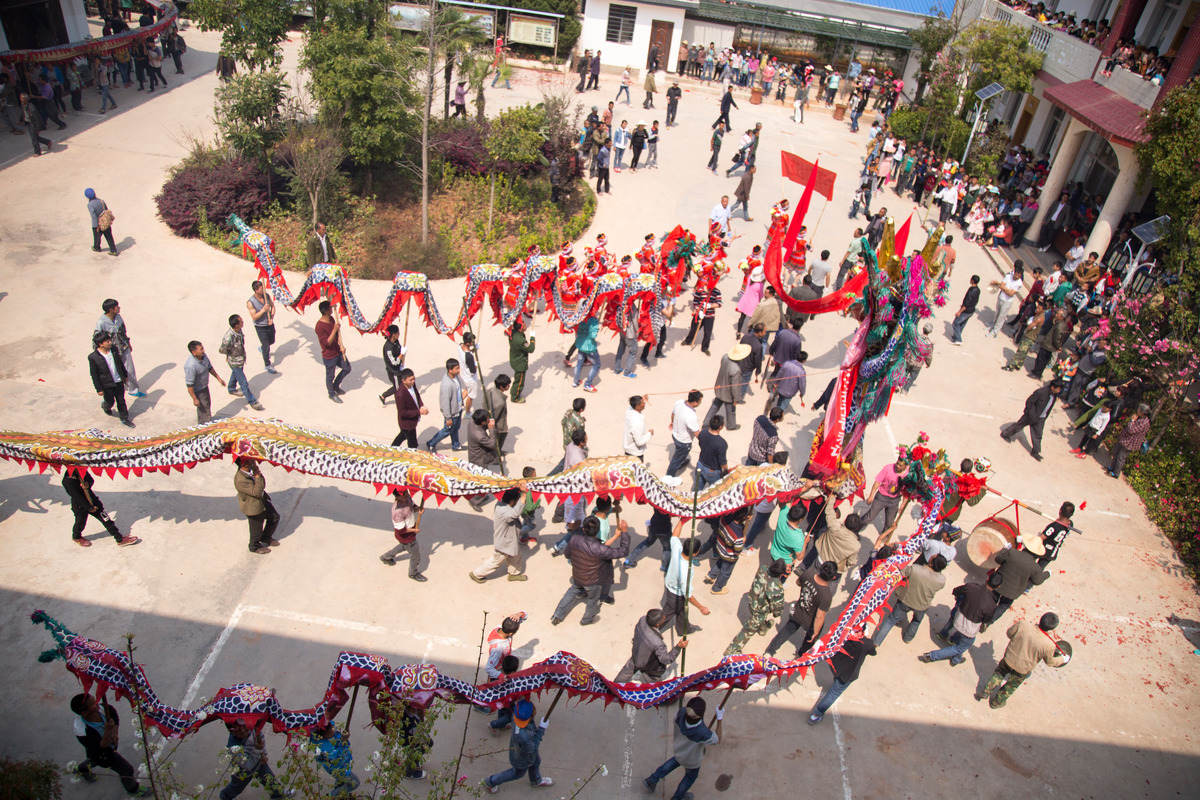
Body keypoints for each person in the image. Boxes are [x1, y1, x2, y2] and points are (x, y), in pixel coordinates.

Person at [551, 514, 630, 625]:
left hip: (578, 575)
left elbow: (567, 554)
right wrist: (624, 532)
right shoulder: (602, 549)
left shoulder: (574, 539)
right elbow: (623, 552)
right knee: (593, 600)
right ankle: (587, 619)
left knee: (571, 592)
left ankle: (557, 616)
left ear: (583, 529)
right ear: (597, 530)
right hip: (593, 582)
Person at [976, 613, 1066, 709]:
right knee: (1010, 686)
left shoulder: (1023, 625)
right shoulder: (1049, 645)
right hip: (1023, 669)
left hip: (1009, 658)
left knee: (999, 673)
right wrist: (1062, 659)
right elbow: (1050, 662)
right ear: (1051, 629)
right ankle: (996, 702)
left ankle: (985, 691)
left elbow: (1009, 633)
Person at [643, 696, 723, 800]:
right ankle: (678, 797)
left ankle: (652, 780)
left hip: (679, 751)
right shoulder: (703, 733)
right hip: (692, 760)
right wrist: (719, 718)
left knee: (672, 763)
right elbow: (717, 740)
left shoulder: (680, 712)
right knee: (690, 777)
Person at [69, 693, 149, 796]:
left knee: (93, 760)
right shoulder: (81, 730)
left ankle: (82, 769)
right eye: (93, 703)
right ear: (84, 713)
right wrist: (107, 731)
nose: (97, 702)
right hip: (103, 754)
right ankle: (133, 790)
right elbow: (100, 747)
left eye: (95, 699)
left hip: (106, 747)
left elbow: (113, 715)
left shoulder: (102, 709)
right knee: (126, 769)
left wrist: (115, 733)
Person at [764, 560, 837, 659]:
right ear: (833, 577)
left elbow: (798, 582)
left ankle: (769, 652)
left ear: (820, 569)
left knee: (787, 630)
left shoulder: (809, 573)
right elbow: (819, 616)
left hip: (798, 612)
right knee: (810, 639)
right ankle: (801, 656)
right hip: (810, 622)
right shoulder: (826, 595)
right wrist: (815, 634)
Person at [920, 578, 997, 667]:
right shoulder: (991, 605)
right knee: (961, 647)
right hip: (970, 630)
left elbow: (956, 591)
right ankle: (932, 656)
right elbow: (986, 619)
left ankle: (956, 659)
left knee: (961, 637)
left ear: (987, 579)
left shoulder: (971, 587)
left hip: (958, 618)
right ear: (998, 586)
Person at [873, 554, 948, 645]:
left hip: (905, 600)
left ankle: (877, 641)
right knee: (916, 621)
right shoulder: (941, 580)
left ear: (931, 564)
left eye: (932, 557)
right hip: (922, 606)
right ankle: (907, 638)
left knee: (891, 620)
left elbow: (902, 572)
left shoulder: (916, 569)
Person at [481, 699, 554, 791]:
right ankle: (491, 782)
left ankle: (536, 780)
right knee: (517, 774)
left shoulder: (515, 716)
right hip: (522, 759)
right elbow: (533, 748)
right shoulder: (524, 737)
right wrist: (541, 729)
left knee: (536, 762)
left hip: (520, 751)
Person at [807, 636, 877, 724]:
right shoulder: (867, 643)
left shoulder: (845, 635)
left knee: (837, 680)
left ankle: (816, 715)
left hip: (837, 667)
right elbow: (873, 652)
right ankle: (816, 715)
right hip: (848, 674)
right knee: (834, 693)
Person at [724, 558, 788, 654]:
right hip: (761, 609)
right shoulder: (777, 588)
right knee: (749, 629)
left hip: (752, 599)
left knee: (759, 620)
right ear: (781, 573)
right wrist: (776, 613)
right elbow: (777, 609)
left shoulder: (763, 568)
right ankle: (732, 649)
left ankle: (763, 628)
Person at [659, 519, 711, 635]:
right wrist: (701, 607)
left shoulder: (677, 549)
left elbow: (675, 536)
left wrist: (682, 521)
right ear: (695, 554)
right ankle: (651, 631)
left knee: (682, 611)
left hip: (669, 585)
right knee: (665, 616)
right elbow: (687, 594)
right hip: (675, 595)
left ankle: (684, 629)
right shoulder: (685, 570)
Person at [63, 469, 139, 547]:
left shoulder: (81, 471)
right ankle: (76, 537)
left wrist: (87, 484)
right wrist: (89, 507)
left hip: (93, 500)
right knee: (80, 522)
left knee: (106, 519)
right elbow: (77, 497)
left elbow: (91, 480)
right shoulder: (67, 481)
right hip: (80, 505)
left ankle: (119, 539)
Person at [219, 719, 291, 800]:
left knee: (270, 779)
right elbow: (247, 765)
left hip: (259, 763)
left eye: (244, 727)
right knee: (236, 788)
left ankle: (278, 794)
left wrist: (263, 754)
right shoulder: (233, 748)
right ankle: (225, 797)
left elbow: (260, 737)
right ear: (232, 731)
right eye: (239, 730)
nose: (244, 730)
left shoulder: (250, 727)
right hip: (243, 772)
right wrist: (258, 750)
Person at [470, 487, 528, 582]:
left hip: (510, 540)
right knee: (496, 561)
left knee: (515, 555)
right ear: (512, 501)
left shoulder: (501, 503)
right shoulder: (505, 512)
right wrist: (524, 494)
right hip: (504, 543)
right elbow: (515, 513)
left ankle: (514, 573)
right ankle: (477, 574)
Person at [1000, 379, 1064, 461]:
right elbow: (1030, 401)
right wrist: (1028, 412)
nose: (1059, 391)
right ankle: (1005, 434)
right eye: (1058, 389)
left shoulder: (1054, 396)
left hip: (1041, 418)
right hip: (1031, 416)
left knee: (1038, 434)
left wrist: (1044, 417)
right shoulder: (1041, 392)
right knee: (1018, 426)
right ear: (1052, 387)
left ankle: (1035, 452)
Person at [615, 608, 687, 681]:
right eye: (663, 619)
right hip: (649, 667)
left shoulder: (642, 620)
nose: (664, 619)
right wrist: (678, 647)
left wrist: (657, 634)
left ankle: (614, 687)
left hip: (637, 655)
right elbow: (666, 660)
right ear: (657, 624)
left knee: (624, 674)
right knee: (655, 687)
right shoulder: (658, 643)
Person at [990, 536, 1049, 621]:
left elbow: (998, 559)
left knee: (992, 600)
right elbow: (1037, 581)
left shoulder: (1012, 552)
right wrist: (1047, 574)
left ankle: (985, 615)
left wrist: (1004, 549)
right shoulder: (1035, 567)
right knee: (1003, 606)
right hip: (1013, 591)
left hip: (998, 583)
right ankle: (988, 622)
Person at [94, 299, 145, 398]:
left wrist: (128, 343)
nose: (119, 308)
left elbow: (123, 331)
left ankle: (133, 390)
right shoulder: (101, 323)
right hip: (111, 351)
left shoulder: (118, 317)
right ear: (111, 309)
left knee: (130, 370)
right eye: (117, 306)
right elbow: (96, 339)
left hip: (123, 347)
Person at [89, 331, 135, 428]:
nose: (110, 342)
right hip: (106, 384)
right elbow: (94, 374)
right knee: (110, 401)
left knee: (121, 400)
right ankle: (106, 406)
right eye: (107, 341)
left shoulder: (113, 350)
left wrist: (125, 376)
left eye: (109, 340)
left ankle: (124, 418)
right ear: (100, 344)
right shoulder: (93, 357)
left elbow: (119, 363)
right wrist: (99, 389)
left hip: (118, 381)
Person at [234, 457, 280, 554]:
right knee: (256, 531)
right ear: (244, 463)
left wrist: (257, 473)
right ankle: (254, 546)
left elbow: (262, 484)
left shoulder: (251, 472)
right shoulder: (240, 480)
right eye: (250, 460)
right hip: (254, 508)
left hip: (262, 501)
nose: (252, 461)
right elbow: (257, 492)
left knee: (274, 518)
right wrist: (257, 476)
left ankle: (266, 537)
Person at [219, 315, 265, 411]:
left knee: (236, 374)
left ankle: (231, 388)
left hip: (240, 359)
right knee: (243, 382)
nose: (243, 322)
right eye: (241, 321)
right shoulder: (228, 338)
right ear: (236, 325)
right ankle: (252, 401)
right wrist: (229, 355)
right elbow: (222, 350)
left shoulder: (239, 331)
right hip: (234, 362)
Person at [379, 488, 426, 580]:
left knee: (403, 546)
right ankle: (413, 573)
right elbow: (401, 531)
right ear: (397, 497)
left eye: (406, 493)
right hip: (406, 535)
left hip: (409, 532)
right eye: (403, 495)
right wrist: (413, 531)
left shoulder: (407, 497)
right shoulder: (397, 512)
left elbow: (413, 506)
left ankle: (386, 557)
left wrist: (418, 509)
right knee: (415, 554)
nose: (406, 496)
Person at [860, 457, 909, 536]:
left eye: (900, 465)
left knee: (890, 523)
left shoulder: (908, 475)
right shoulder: (888, 469)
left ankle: (884, 537)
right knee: (870, 517)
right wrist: (871, 495)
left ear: (906, 466)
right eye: (897, 463)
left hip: (894, 501)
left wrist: (903, 503)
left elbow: (906, 491)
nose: (897, 466)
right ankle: (855, 527)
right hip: (881, 497)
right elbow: (877, 482)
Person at [309, 720, 359, 797]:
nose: (334, 729)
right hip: (338, 767)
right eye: (331, 729)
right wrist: (344, 741)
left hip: (335, 767)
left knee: (341, 782)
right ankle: (332, 796)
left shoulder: (320, 730)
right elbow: (340, 758)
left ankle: (340, 795)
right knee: (355, 782)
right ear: (325, 734)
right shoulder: (326, 749)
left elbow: (330, 722)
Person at [704, 345, 748, 433]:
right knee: (731, 410)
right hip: (728, 394)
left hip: (719, 387)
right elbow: (735, 387)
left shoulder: (725, 357)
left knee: (714, 406)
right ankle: (731, 425)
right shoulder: (736, 370)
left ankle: (706, 423)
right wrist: (736, 399)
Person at [315, 301, 351, 402]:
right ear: (326, 311)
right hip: (329, 355)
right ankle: (331, 394)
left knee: (347, 368)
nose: (332, 309)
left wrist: (341, 345)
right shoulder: (319, 326)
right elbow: (327, 343)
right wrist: (334, 329)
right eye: (330, 308)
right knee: (330, 376)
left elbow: (337, 335)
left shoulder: (331, 319)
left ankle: (335, 386)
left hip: (337, 352)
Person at [427, 359, 466, 451]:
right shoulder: (447, 385)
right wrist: (448, 417)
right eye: (457, 368)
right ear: (450, 370)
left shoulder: (455, 377)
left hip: (458, 409)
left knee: (455, 428)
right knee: (447, 430)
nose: (459, 370)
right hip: (452, 413)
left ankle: (456, 445)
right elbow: (445, 403)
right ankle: (431, 443)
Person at [185, 340, 226, 424]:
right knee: (205, 411)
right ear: (194, 352)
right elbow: (189, 386)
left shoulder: (203, 356)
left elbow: (209, 368)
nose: (203, 351)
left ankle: (203, 423)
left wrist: (218, 378)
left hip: (205, 387)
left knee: (206, 407)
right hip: (198, 391)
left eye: (202, 348)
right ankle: (205, 427)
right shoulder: (190, 366)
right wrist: (195, 398)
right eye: (201, 349)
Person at [467, 410, 501, 511]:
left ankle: (480, 496)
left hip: (474, 456)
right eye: (487, 419)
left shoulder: (472, 422)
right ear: (482, 422)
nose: (488, 419)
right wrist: (491, 429)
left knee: (477, 480)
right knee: (483, 482)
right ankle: (475, 500)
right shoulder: (479, 435)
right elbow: (491, 444)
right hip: (479, 460)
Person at [1107, 403, 1151, 478]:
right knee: (1116, 451)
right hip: (1124, 439)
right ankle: (1111, 468)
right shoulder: (1140, 418)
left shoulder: (1144, 422)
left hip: (1130, 442)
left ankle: (1116, 473)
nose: (1137, 410)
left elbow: (1132, 430)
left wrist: (1132, 420)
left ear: (1143, 412)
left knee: (1121, 457)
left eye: (1139, 409)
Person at [667, 390, 704, 477]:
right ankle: (669, 478)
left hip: (675, 435)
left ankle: (682, 461)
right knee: (676, 460)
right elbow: (696, 432)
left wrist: (672, 422)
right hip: (684, 441)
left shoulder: (679, 402)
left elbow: (673, 414)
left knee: (679, 454)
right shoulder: (691, 415)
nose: (700, 403)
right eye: (700, 401)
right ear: (695, 402)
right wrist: (705, 442)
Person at [246, 280, 278, 374]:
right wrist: (263, 310)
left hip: (269, 324)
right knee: (266, 347)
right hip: (260, 327)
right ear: (256, 290)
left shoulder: (266, 296)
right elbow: (254, 317)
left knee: (272, 341)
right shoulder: (251, 302)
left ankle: (263, 347)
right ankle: (267, 365)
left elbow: (273, 307)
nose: (264, 289)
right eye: (261, 288)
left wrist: (271, 317)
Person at [987, 263, 1025, 337]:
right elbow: (1001, 285)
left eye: (1019, 275)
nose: (1017, 276)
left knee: (1002, 316)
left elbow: (1011, 294)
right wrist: (1008, 290)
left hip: (1008, 301)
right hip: (1002, 297)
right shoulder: (1008, 276)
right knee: (997, 313)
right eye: (1016, 274)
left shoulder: (1019, 283)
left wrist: (1004, 288)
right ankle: (992, 325)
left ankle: (995, 332)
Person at [1037, 501, 1075, 565]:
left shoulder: (1053, 527)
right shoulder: (1070, 524)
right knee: (1040, 569)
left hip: (1043, 550)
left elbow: (1040, 538)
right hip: (1052, 553)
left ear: (1060, 511)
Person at [84, 188, 120, 256]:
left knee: (97, 236)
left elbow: (94, 216)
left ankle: (96, 247)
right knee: (109, 236)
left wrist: (96, 226)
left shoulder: (90, 204)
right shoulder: (101, 201)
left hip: (99, 223)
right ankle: (113, 250)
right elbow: (106, 210)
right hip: (105, 222)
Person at [507, 317, 535, 403]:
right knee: (519, 381)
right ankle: (515, 397)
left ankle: (514, 391)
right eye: (524, 325)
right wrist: (532, 338)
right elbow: (530, 349)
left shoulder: (513, 332)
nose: (526, 325)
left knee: (517, 378)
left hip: (514, 359)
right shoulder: (520, 340)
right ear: (519, 329)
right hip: (520, 363)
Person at [378, 325, 407, 406]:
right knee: (398, 387)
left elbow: (399, 349)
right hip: (393, 371)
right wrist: (402, 354)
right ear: (394, 335)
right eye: (398, 333)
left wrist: (402, 352)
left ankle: (387, 397)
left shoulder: (396, 342)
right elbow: (393, 362)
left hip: (398, 369)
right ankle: (383, 396)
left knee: (398, 385)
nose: (399, 334)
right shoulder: (388, 348)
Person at [948, 275, 980, 345]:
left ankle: (958, 339)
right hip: (971, 310)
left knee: (955, 323)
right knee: (962, 324)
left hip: (966, 310)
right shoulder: (977, 290)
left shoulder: (971, 291)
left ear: (973, 281)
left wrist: (959, 311)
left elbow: (967, 303)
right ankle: (955, 337)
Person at [623, 394, 653, 460]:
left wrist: (643, 398)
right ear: (637, 407)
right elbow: (639, 442)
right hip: (635, 453)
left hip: (628, 450)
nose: (645, 403)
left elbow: (631, 406)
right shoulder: (637, 422)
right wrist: (650, 434)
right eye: (643, 402)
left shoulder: (629, 412)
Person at [487, 375, 511, 451]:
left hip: (490, 419)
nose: (508, 386)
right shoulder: (500, 402)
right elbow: (496, 416)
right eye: (507, 385)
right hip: (499, 424)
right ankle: (497, 454)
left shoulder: (490, 390)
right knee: (499, 439)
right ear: (501, 387)